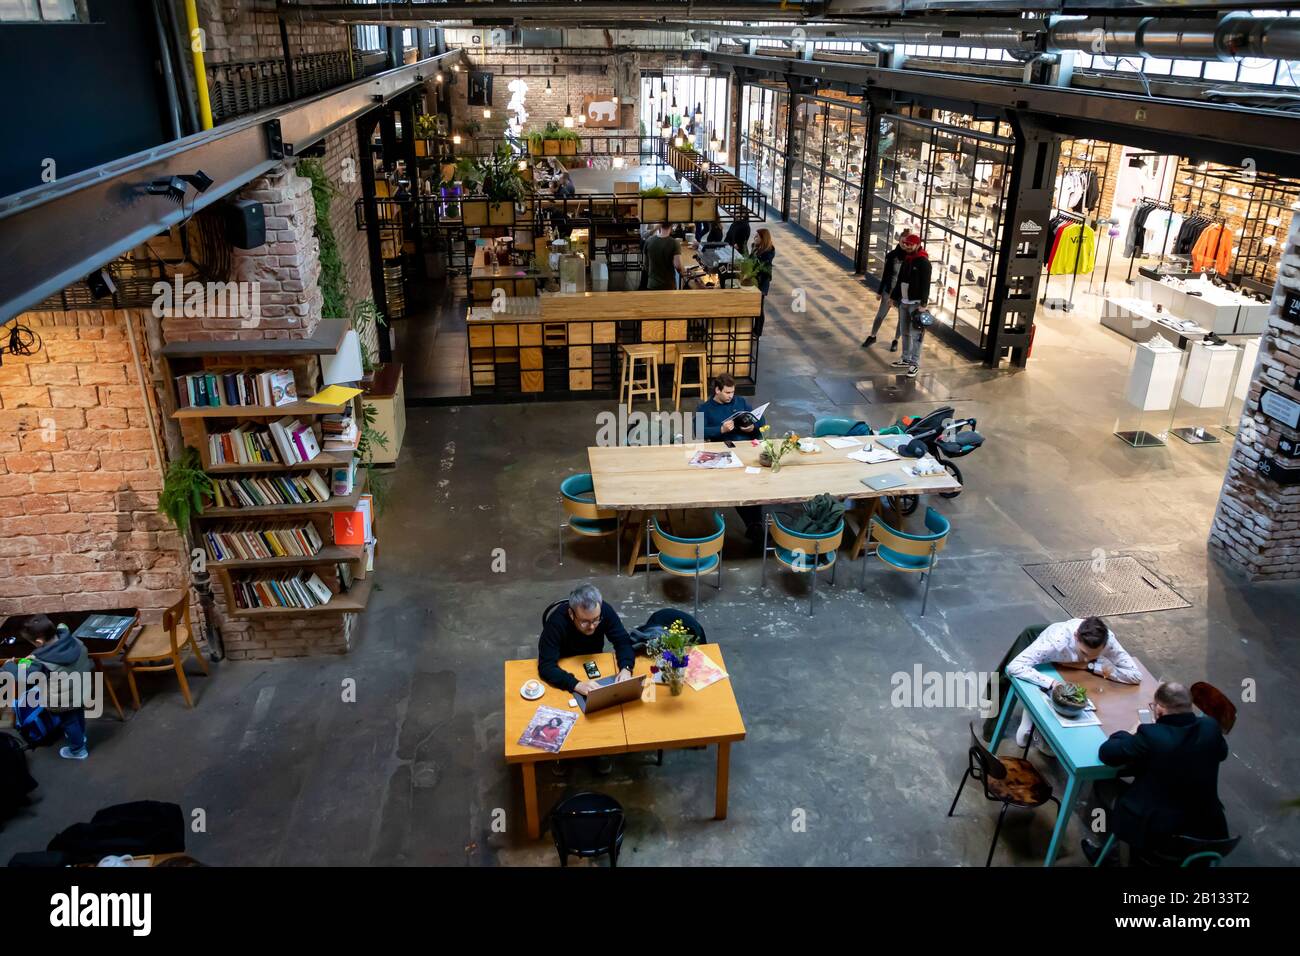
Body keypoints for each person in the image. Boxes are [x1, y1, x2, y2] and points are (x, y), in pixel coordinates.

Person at [1082, 681, 1229, 865]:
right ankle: (1113, 851)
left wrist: (1133, 733)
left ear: (1159, 710)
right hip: (1207, 833)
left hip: (1159, 837)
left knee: (1102, 783)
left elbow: (1107, 753)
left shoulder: (1151, 736)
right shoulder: (1210, 728)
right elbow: (1221, 753)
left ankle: (1111, 855)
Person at [1005, 616, 1141, 750]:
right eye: (1083, 653)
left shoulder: (1109, 641)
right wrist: (1053, 683)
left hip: (1079, 673)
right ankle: (1029, 716)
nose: (1086, 658)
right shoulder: (1055, 641)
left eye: (1093, 656)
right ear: (1076, 636)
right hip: (1046, 665)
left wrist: (1090, 666)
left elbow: (1135, 675)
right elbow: (1015, 666)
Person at [2, 615, 94, 760]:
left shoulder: (42, 663)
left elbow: (24, 677)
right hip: (82, 688)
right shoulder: (73, 640)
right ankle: (81, 736)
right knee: (78, 714)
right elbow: (62, 630)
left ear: (38, 641)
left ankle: (78, 750)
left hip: (63, 700)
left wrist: (9, 665)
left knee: (69, 722)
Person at [697, 375, 766, 542]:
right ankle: (755, 525)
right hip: (725, 449)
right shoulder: (705, 409)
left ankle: (755, 524)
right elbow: (699, 431)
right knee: (741, 483)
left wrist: (752, 427)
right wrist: (720, 429)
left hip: (747, 445)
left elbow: (760, 419)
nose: (731, 396)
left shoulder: (740, 402)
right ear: (717, 390)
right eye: (727, 393)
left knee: (754, 480)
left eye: (733, 392)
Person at [537, 584, 636, 695]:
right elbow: (546, 666)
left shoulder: (605, 611)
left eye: (596, 620)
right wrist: (575, 684)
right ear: (571, 614)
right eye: (584, 622)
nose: (592, 626)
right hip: (564, 665)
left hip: (594, 660)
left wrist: (626, 668)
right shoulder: (556, 622)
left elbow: (623, 641)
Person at [888, 232, 932, 379]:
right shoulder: (907, 259)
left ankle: (915, 363)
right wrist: (894, 297)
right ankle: (905, 358)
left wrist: (923, 304)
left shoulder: (924, 262)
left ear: (917, 245)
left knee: (916, 335)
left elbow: (926, 284)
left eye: (910, 244)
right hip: (904, 303)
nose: (907, 246)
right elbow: (900, 279)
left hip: (916, 304)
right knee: (904, 331)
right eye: (905, 244)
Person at [862, 229, 912, 350]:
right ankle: (872, 335)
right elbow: (885, 274)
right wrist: (879, 291)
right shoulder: (892, 256)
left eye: (906, 242)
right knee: (880, 315)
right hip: (889, 291)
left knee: (902, 319)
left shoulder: (911, 258)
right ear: (899, 241)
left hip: (903, 294)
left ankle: (896, 340)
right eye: (902, 241)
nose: (904, 244)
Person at [750, 229, 776, 337]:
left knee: (759, 308)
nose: (754, 238)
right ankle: (753, 330)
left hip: (761, 283)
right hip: (754, 280)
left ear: (763, 239)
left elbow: (762, 268)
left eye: (757, 237)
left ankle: (757, 332)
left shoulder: (768, 252)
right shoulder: (755, 247)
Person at [644, 222, 684, 291]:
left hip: (652, 284)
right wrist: (684, 271)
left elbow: (646, 264)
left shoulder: (649, 241)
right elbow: (678, 266)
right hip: (668, 285)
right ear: (671, 226)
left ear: (659, 225)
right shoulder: (674, 243)